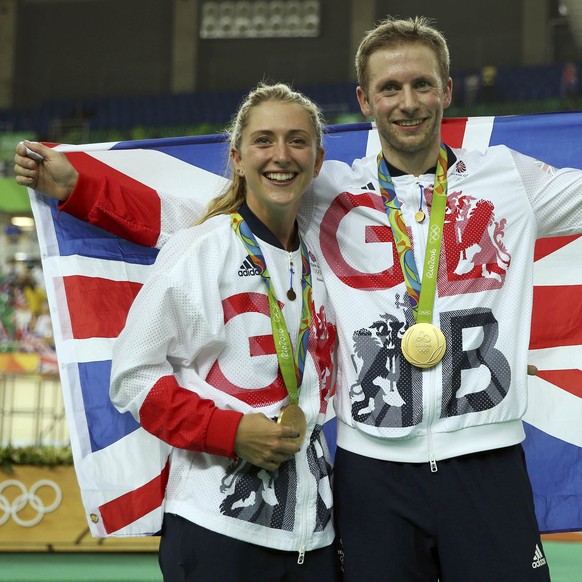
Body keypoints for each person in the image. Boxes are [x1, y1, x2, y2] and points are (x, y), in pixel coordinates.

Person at [14, 16, 577, 582]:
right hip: (373, 472)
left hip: (487, 461)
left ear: (447, 91)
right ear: (365, 100)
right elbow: (205, 214)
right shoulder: (325, 190)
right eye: (389, 88)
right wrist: (77, 188)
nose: (408, 102)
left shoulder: (508, 182)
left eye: (422, 85)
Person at [21, 83, 340, 581]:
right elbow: (132, 376)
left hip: (315, 535)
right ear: (236, 157)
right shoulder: (202, 247)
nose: (281, 155)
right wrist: (229, 432)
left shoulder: (326, 258)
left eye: (298, 141)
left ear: (318, 161)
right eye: (264, 140)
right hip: (216, 530)